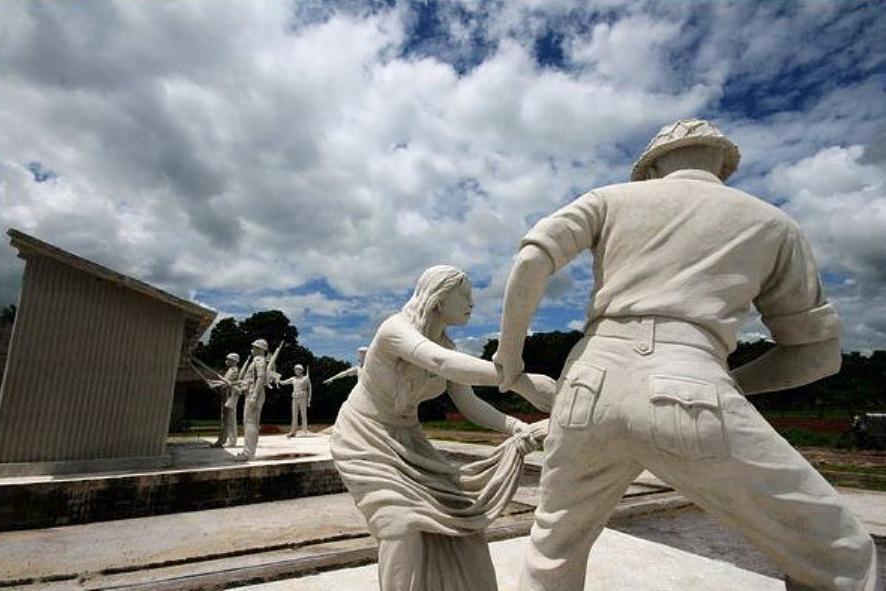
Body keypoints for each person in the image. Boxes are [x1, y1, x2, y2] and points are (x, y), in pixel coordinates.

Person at [493, 119, 879, 590]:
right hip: (691, 379)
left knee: (553, 548)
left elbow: (533, 258)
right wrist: (726, 384)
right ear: (722, 162)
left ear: (653, 166)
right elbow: (817, 355)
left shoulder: (609, 198)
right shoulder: (772, 223)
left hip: (587, 384)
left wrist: (510, 356)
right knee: (840, 555)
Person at [330, 265, 555, 591]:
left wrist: (517, 427)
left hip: (410, 442)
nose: (472, 302)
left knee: (462, 521)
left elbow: (469, 402)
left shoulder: (448, 346)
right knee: (399, 524)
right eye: (464, 294)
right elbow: (439, 363)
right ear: (438, 297)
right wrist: (519, 381)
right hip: (363, 438)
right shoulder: (395, 329)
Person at [236, 339, 268, 462]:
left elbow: (260, 377)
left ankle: (248, 453)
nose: (252, 349)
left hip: (254, 394)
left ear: (260, 349)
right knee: (249, 422)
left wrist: (254, 395)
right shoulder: (256, 360)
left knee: (250, 423)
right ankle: (247, 451)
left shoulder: (260, 360)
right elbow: (251, 378)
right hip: (251, 392)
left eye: (255, 347)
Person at [208, 352, 241, 448]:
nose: (227, 361)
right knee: (225, 419)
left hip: (230, 396)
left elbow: (226, 383)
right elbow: (224, 381)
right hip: (225, 395)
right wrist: (213, 382)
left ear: (234, 361)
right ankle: (222, 439)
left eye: (229, 359)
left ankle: (231, 440)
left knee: (230, 419)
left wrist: (214, 384)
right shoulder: (230, 370)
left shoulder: (234, 371)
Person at [280, 364, 313, 436]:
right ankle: (293, 431)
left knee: (303, 415)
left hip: (303, 397)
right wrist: (277, 380)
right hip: (295, 397)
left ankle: (304, 431)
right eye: (295, 370)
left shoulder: (306, 378)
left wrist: (309, 399)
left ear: (301, 370)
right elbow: (284, 382)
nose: (296, 371)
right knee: (294, 415)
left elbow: (310, 389)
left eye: (297, 369)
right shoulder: (293, 379)